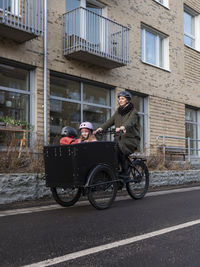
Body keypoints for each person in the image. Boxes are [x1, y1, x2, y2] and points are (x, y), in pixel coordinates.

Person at [94, 90, 140, 177]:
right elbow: (109, 122)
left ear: (127, 100)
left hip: (130, 139)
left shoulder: (133, 112)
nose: (120, 100)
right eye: (119, 99)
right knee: (110, 150)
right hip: (119, 138)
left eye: (122, 98)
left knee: (118, 149)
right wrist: (100, 129)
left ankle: (125, 172)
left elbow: (130, 122)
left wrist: (123, 127)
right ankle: (116, 174)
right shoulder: (118, 112)